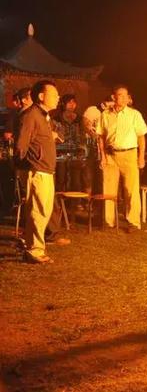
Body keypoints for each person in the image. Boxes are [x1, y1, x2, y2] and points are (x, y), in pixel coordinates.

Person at [15, 80, 60, 263]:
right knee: (38, 211)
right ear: (41, 96)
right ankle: (35, 250)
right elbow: (21, 145)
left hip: (45, 169)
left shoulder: (43, 116)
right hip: (37, 169)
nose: (58, 98)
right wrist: (22, 167)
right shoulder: (32, 115)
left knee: (42, 210)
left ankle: (32, 246)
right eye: (54, 94)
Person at [97, 84, 147, 233]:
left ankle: (133, 222)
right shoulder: (105, 115)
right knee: (109, 189)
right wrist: (103, 156)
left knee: (131, 189)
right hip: (111, 155)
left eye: (126, 95)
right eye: (120, 95)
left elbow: (141, 137)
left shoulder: (134, 114)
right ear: (113, 97)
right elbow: (101, 137)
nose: (124, 98)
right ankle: (108, 221)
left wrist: (141, 157)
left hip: (129, 154)